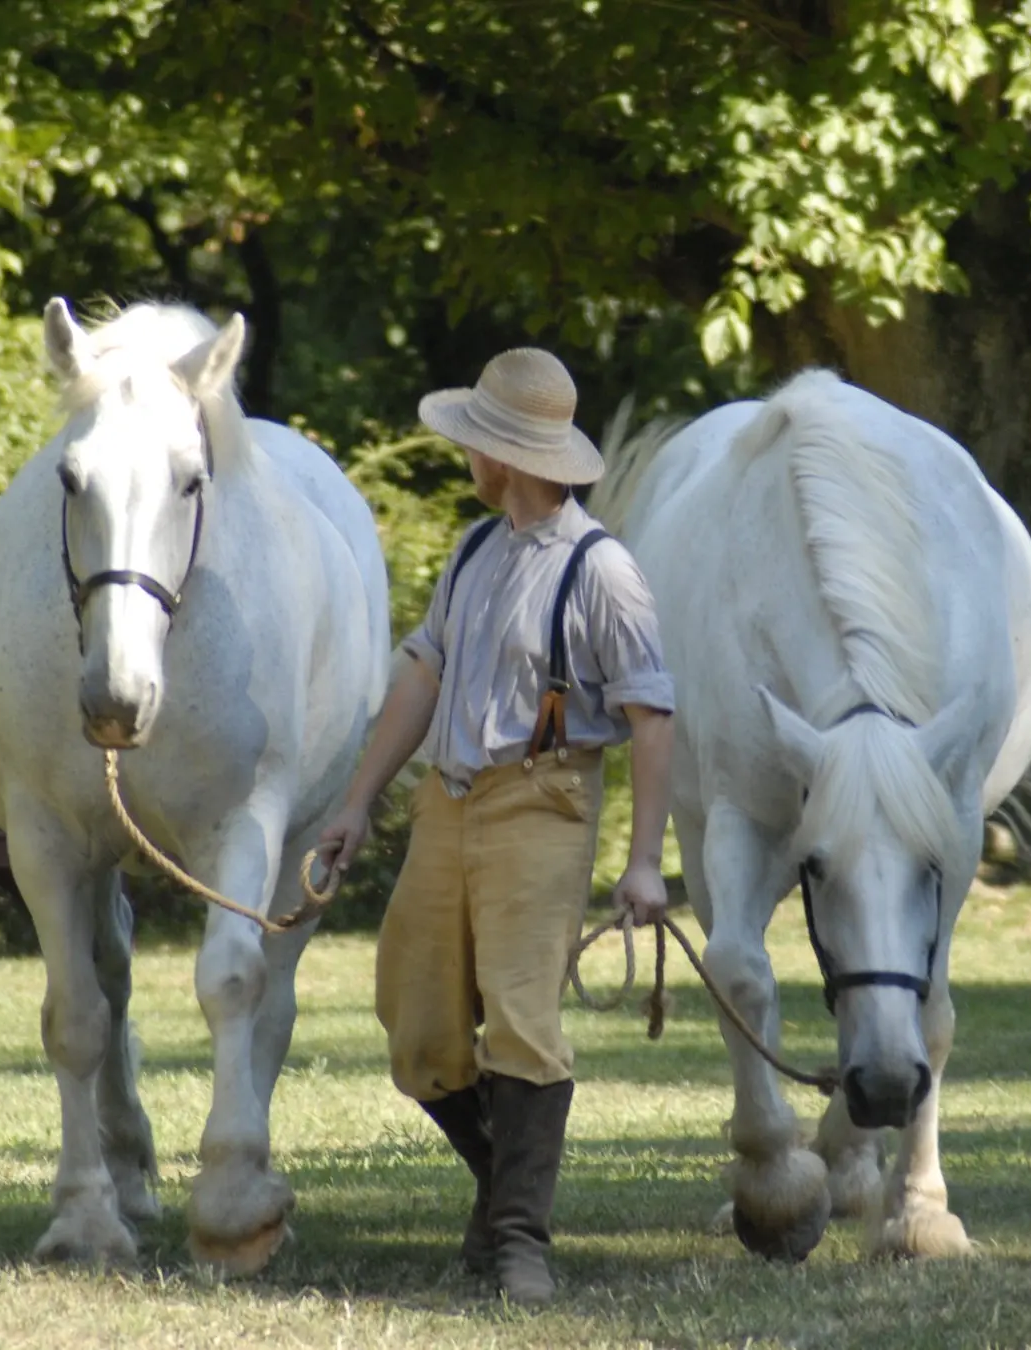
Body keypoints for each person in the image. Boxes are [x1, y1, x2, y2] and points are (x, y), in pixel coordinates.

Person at [315, 347, 676, 1303]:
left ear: (506, 458)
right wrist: (358, 800)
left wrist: (644, 865)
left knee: (522, 1020)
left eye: (475, 442)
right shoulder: (473, 551)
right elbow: (423, 676)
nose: (465, 457)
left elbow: (652, 717)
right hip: (448, 803)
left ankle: (519, 1243)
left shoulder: (605, 572)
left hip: (543, 805)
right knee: (417, 1025)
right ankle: (499, 1191)